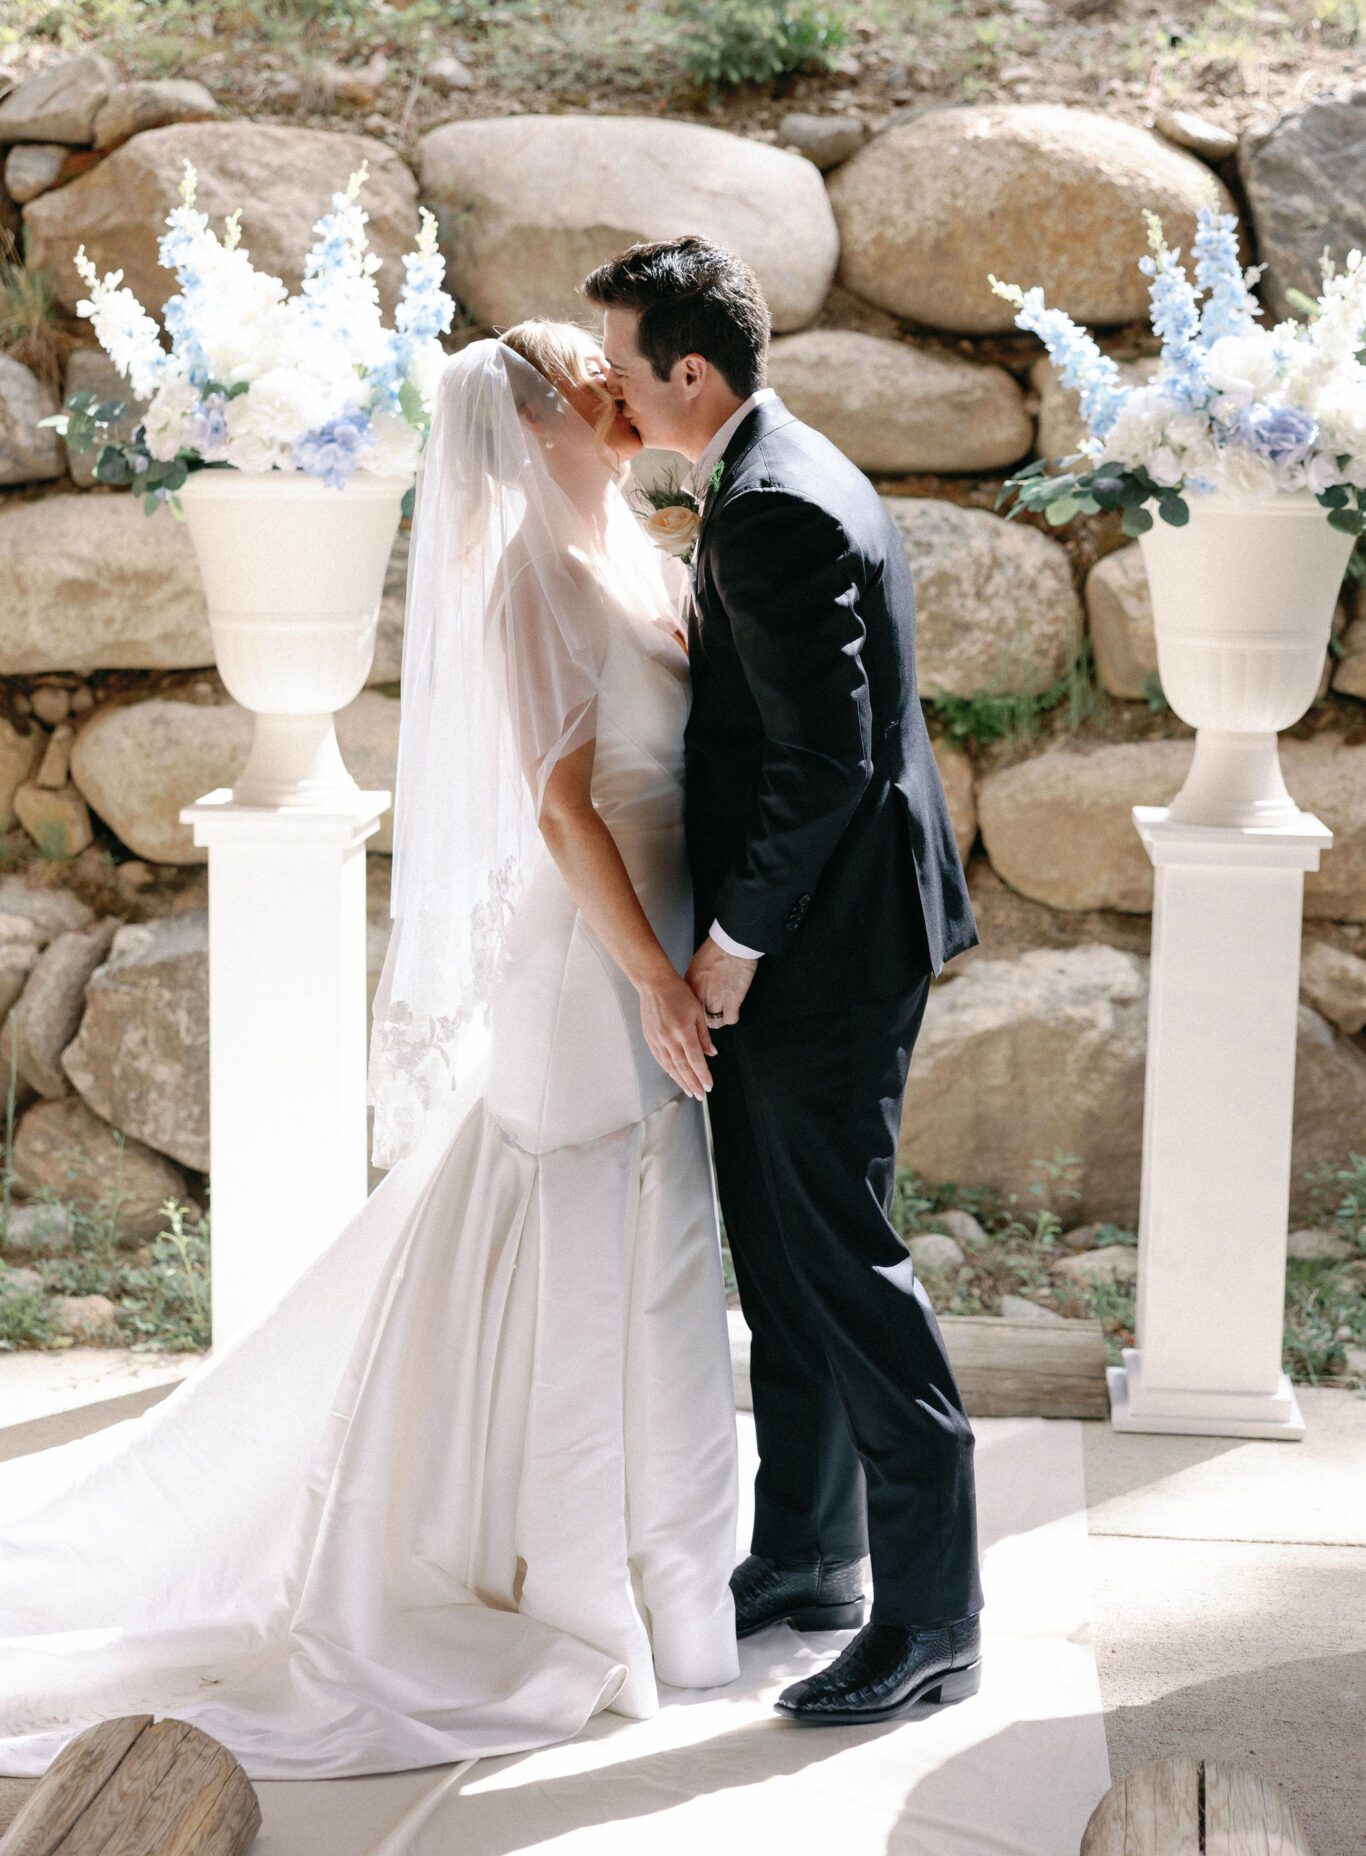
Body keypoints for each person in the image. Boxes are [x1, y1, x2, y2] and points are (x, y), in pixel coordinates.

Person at [0, 323, 739, 1779]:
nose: (615, 383)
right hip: (593, 957)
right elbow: (560, 807)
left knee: (661, 1264)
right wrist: (652, 974)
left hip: (668, 928)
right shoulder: (525, 578)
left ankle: (684, 1589)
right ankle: (573, 1593)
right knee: (585, 1254)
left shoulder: (638, 550)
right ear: (534, 419)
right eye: (584, 373)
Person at [585, 237, 985, 1727]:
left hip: (823, 951)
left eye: (625, 372)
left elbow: (827, 761)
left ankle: (933, 1618)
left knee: (845, 1266)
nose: (615, 399)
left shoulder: (772, 507)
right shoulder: (768, 472)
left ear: (690, 371)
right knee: (782, 1258)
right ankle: (812, 1556)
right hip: (813, 937)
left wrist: (730, 947)